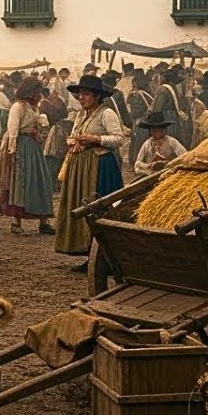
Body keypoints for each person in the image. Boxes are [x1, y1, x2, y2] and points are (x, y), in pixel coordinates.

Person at [54, 74, 125, 270]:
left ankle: (105, 256)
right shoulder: (80, 115)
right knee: (81, 207)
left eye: (85, 94)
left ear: (97, 96)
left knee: (98, 209)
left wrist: (95, 139)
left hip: (100, 166)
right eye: (79, 94)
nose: (81, 98)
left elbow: (119, 139)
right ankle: (89, 254)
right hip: (80, 167)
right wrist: (73, 140)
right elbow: (75, 135)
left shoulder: (106, 114)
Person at [0, 78, 55, 235]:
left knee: (39, 182)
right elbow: (13, 129)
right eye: (36, 91)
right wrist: (12, 150)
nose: (39, 94)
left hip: (34, 148)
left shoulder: (33, 107)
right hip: (21, 148)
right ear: (30, 91)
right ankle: (16, 222)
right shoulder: (18, 106)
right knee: (20, 182)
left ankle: (44, 221)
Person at [133, 112, 188, 177]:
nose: (155, 133)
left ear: (164, 130)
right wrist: (148, 166)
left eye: (158, 130)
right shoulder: (147, 143)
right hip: (151, 175)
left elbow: (185, 156)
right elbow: (137, 163)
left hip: (169, 174)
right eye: (152, 131)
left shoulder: (172, 142)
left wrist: (167, 163)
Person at [126, 71, 154, 162]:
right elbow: (136, 110)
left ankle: (134, 159)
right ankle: (136, 160)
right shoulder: (137, 93)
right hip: (141, 120)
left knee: (137, 140)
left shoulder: (136, 93)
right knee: (140, 140)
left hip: (140, 119)